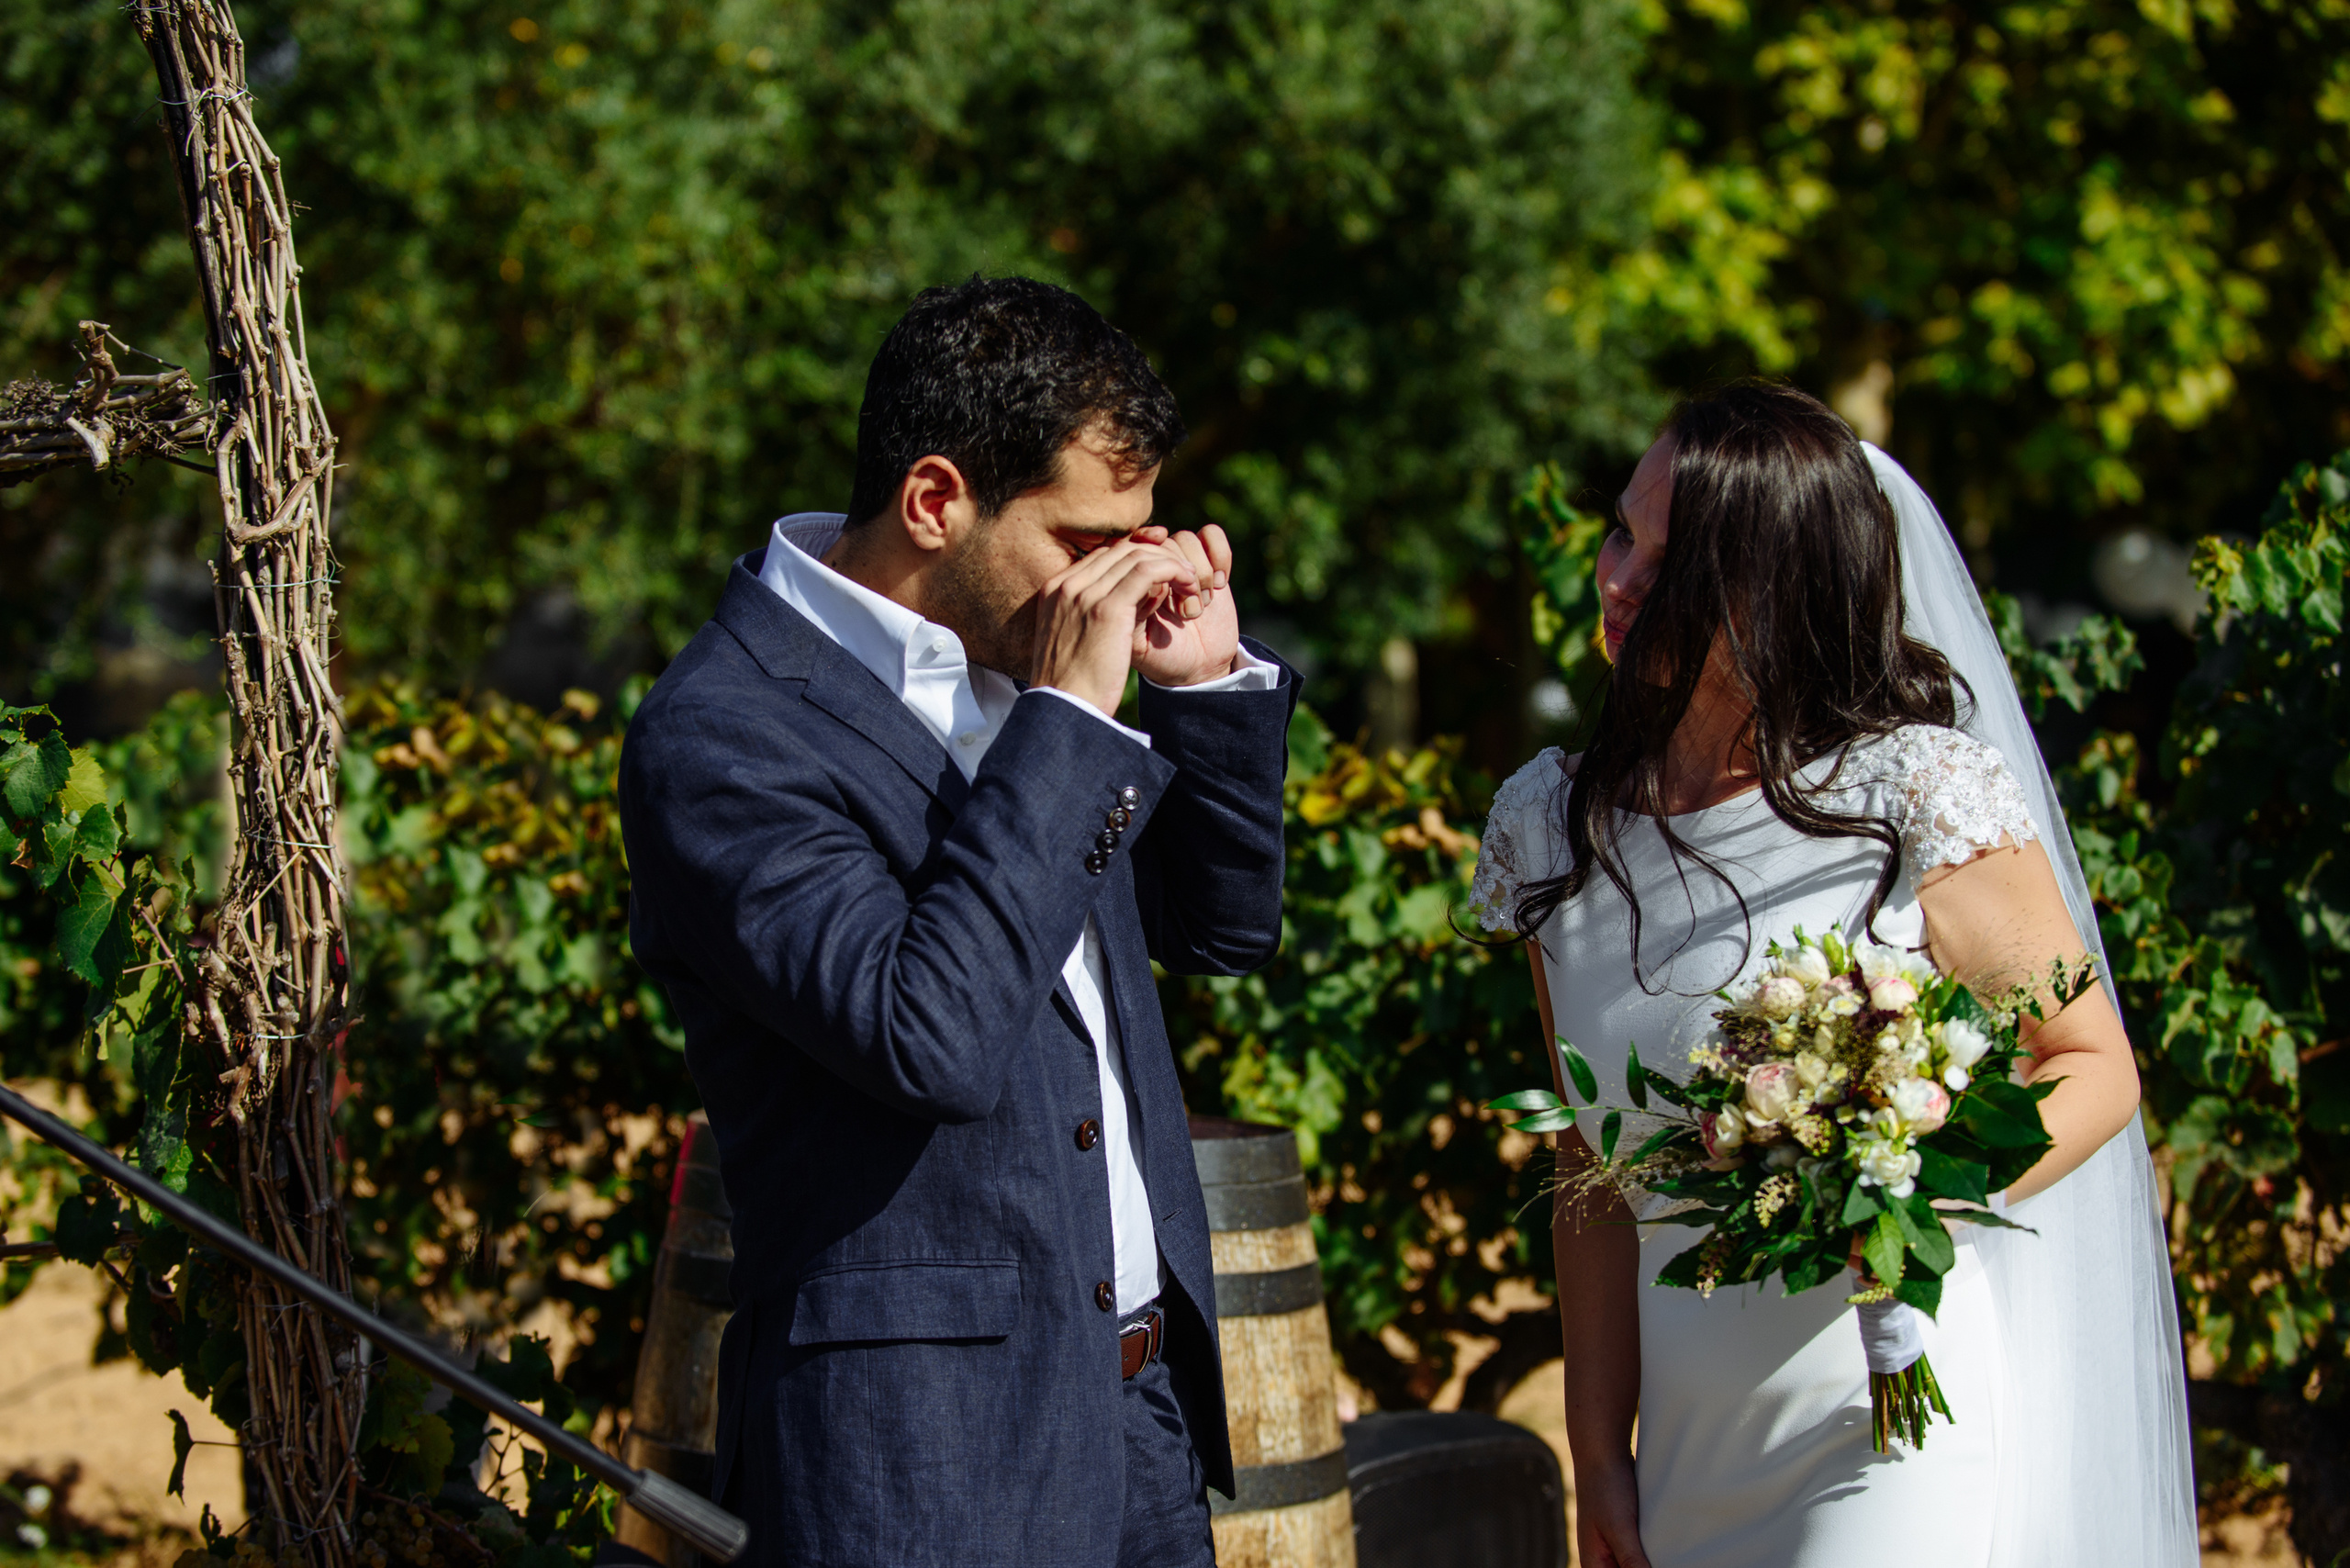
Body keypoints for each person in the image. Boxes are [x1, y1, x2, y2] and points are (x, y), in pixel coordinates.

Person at [619, 275, 1296, 1567]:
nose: (1125, 580)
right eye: (1090, 540)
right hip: (923, 1461)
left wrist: (1202, 683)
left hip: (1142, 1418)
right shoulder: (720, 735)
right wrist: (1070, 721)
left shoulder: (1015, 653)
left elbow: (1217, 930)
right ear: (936, 501)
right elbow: (926, 1038)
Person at [1472, 381, 2197, 1568]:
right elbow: (1590, 1170)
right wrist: (1599, 1452)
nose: (1619, 579)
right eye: (1620, 535)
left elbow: (2091, 1064)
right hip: (1692, 1457)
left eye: (1670, 560)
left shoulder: (1911, 796)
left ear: (1769, 588)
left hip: (1889, 1426)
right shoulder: (1552, 828)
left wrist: (1910, 1192)